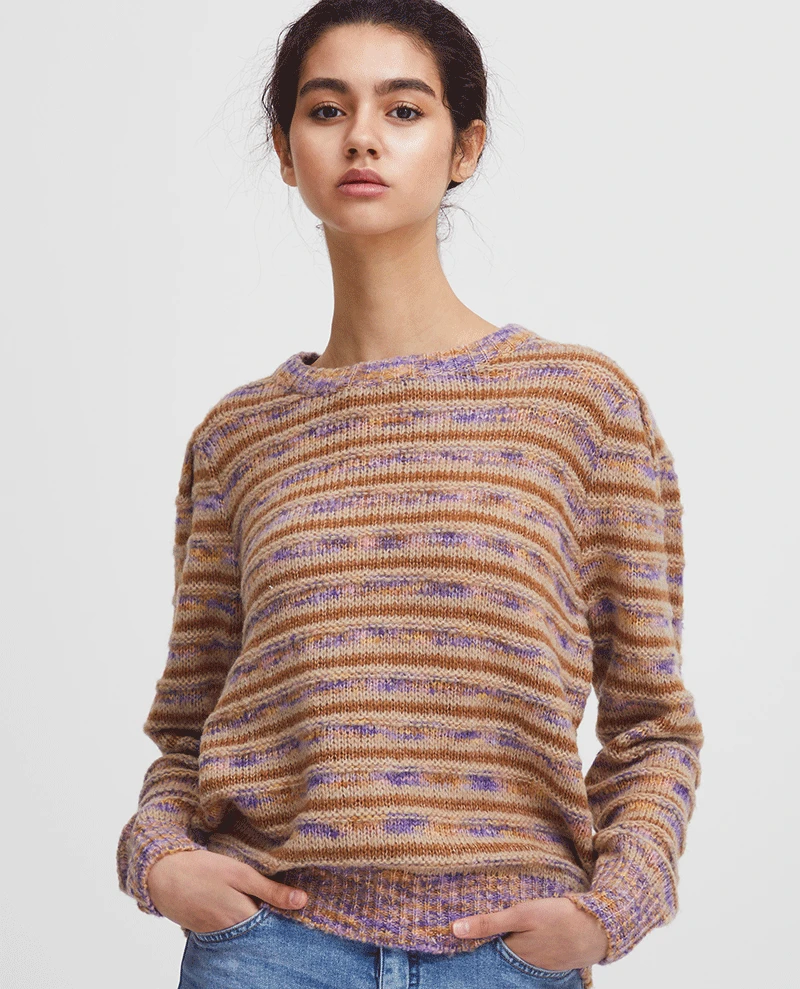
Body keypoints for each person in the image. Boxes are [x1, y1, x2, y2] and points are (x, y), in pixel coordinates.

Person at [116, 2, 704, 988]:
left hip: (504, 958)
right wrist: (160, 856)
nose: (361, 138)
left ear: (464, 146)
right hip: (268, 951)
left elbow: (651, 722)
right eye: (325, 109)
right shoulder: (237, 439)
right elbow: (189, 726)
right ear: (284, 150)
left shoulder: (579, 408)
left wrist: (608, 910)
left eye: (402, 110)